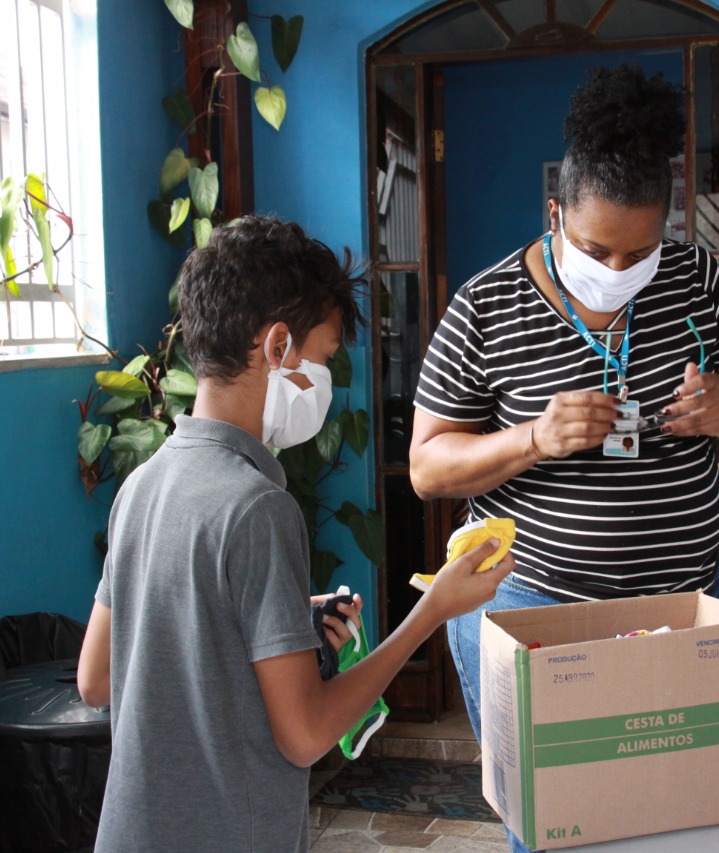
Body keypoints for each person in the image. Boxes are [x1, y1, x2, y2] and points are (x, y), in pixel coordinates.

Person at [410, 64, 719, 849]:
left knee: (686, 817)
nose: (618, 271)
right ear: (554, 211)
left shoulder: (696, 283)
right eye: (596, 248)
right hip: (532, 607)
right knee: (556, 825)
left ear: (668, 228)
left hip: (683, 603)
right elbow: (428, 468)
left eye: (639, 250)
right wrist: (534, 438)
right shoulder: (485, 305)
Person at [77, 214, 514, 852]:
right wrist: (431, 612)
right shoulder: (257, 506)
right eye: (327, 358)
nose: (327, 383)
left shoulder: (142, 484)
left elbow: (96, 679)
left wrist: (272, 620)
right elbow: (307, 735)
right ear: (277, 346)